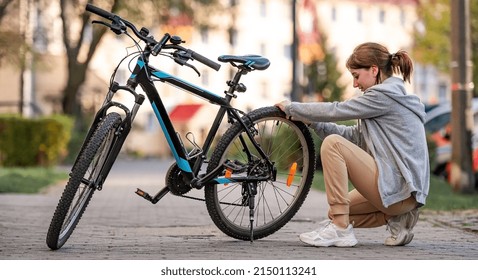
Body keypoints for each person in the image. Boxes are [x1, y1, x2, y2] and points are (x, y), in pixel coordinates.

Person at [275, 42, 430, 247]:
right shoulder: (391, 97)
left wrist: (294, 108)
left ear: (374, 70)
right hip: (405, 195)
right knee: (337, 211)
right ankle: (397, 219)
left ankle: (340, 230)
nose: (355, 84)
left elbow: (337, 110)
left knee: (333, 145)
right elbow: (354, 137)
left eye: (356, 76)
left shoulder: (383, 96)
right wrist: (312, 121)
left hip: (399, 189)